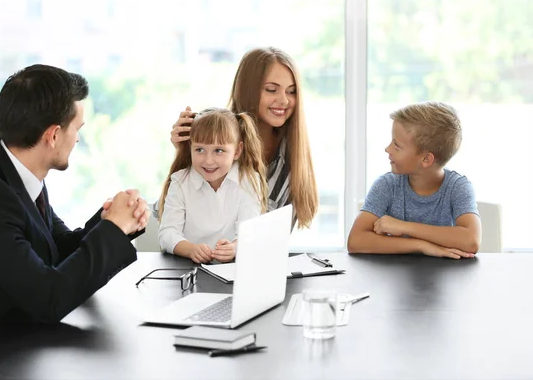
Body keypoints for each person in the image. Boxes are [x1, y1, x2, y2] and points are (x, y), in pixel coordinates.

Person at [0, 64, 150, 370]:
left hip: (5, 346)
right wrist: (113, 229)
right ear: (53, 135)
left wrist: (112, 224)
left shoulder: (10, 164)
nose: (77, 139)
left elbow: (55, 247)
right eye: (78, 129)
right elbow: (49, 297)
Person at [169, 47, 318, 229]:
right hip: (206, 253)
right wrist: (183, 153)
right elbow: (176, 217)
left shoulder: (292, 152)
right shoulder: (218, 138)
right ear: (249, 89)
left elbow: (276, 232)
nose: (284, 100)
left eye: (291, 91)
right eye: (271, 90)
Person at [347, 101, 482, 259]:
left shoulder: (458, 187)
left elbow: (471, 241)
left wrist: (404, 227)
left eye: (397, 145)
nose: (387, 149)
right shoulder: (387, 185)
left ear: (425, 159)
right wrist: (421, 246)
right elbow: (355, 241)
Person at [158, 108, 268, 263]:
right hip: (189, 270)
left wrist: (234, 248)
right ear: (190, 147)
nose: (208, 160)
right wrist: (191, 250)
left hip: (232, 272)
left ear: (237, 151)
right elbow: (167, 233)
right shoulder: (180, 182)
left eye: (218, 150)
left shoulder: (248, 180)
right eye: (200, 149)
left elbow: (250, 231)